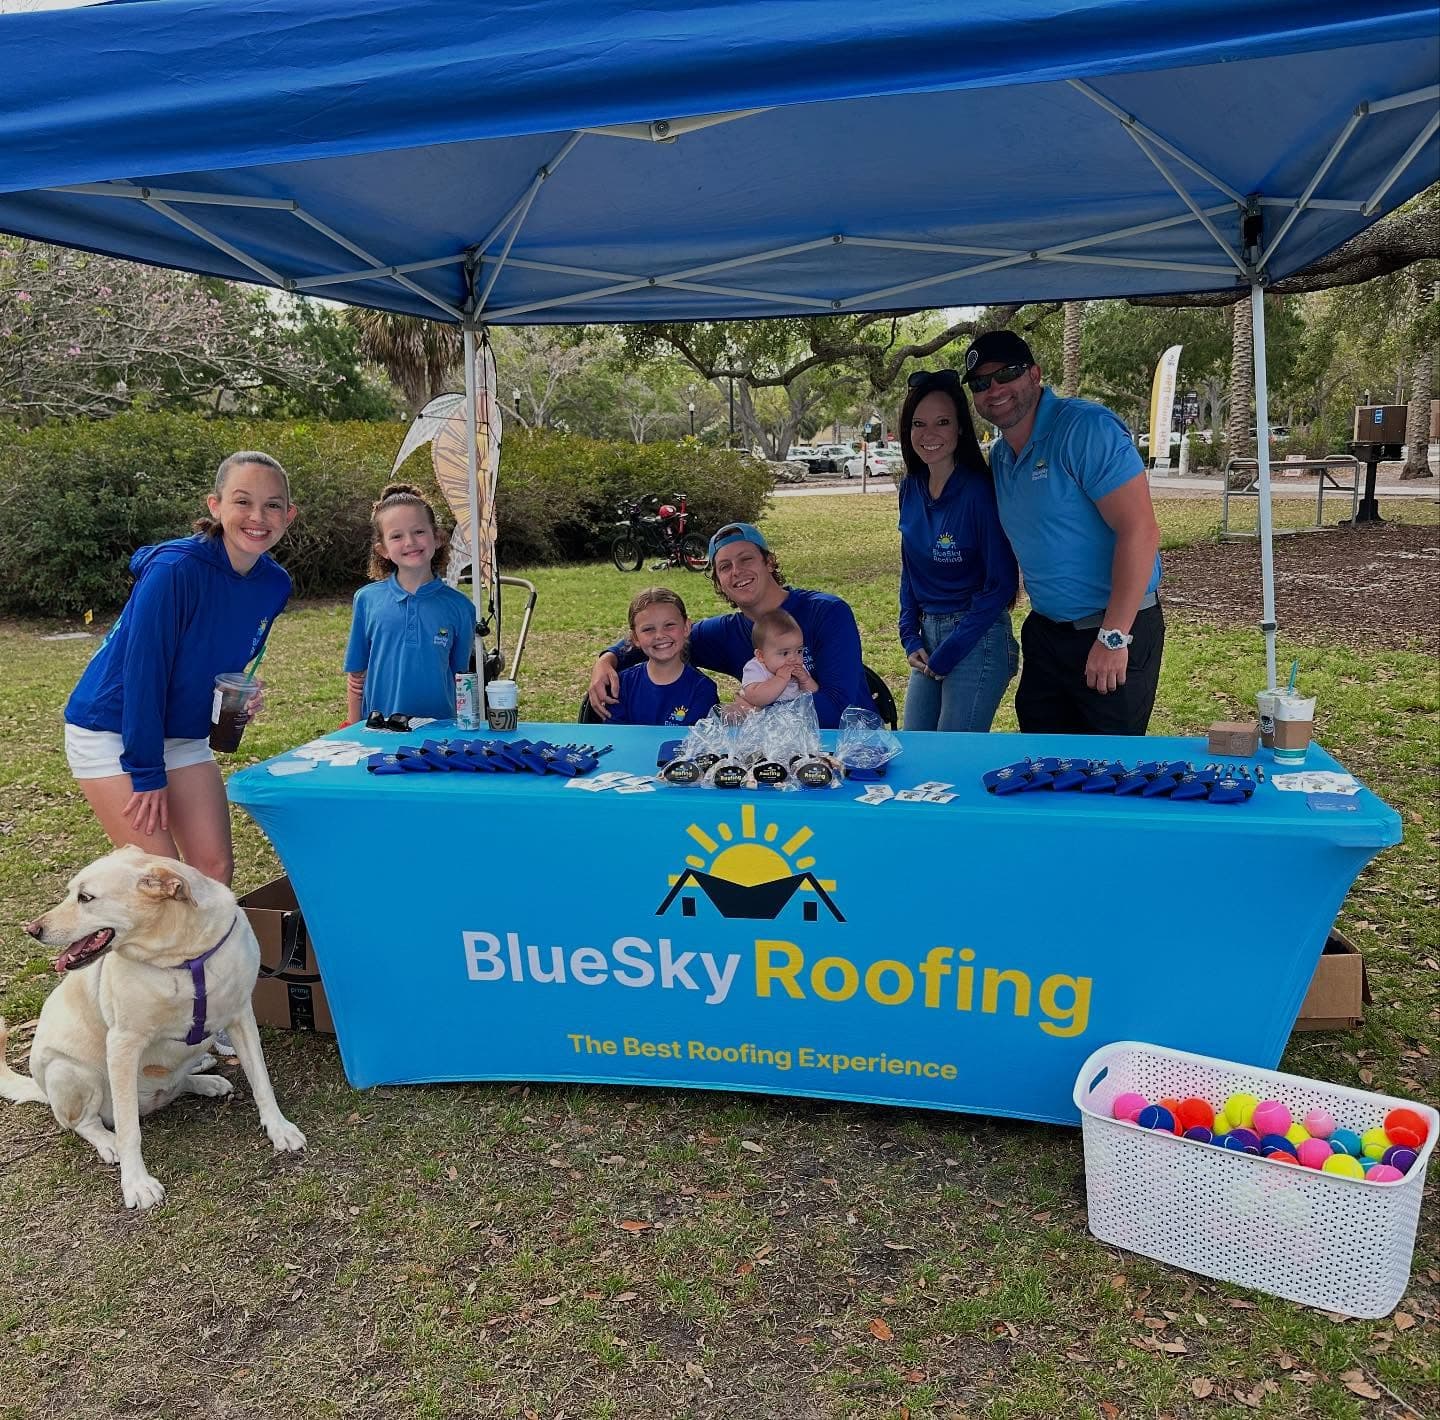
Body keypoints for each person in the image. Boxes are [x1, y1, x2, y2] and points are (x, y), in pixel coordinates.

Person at [63, 451, 297, 885]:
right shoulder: (175, 570)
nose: (257, 516)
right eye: (242, 501)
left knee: (213, 872)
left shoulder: (274, 583)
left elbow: (223, 659)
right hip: (112, 729)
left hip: (182, 732)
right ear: (216, 505)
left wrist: (241, 691)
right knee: (164, 881)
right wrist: (146, 773)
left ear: (289, 515)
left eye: (272, 505)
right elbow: (143, 676)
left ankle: (199, 957)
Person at [964, 331, 1163, 735]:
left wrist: (1113, 637)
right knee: (1041, 771)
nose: (995, 389)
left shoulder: (1086, 429)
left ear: (1035, 374)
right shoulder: (1001, 456)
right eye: (981, 383)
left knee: (1106, 777)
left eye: (1006, 374)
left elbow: (1140, 530)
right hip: (1047, 633)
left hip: (1112, 630)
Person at [586, 523, 870, 729]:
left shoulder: (827, 612)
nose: (737, 572)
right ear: (718, 581)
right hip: (782, 753)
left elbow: (837, 710)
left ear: (769, 562)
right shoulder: (723, 633)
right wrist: (606, 660)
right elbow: (659, 640)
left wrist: (753, 710)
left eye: (746, 559)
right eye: (724, 567)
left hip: (851, 746)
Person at [896, 369, 1020, 732]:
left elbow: (1001, 584)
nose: (929, 434)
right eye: (919, 423)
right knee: (915, 746)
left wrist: (952, 648)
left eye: (942, 422)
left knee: (953, 755)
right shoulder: (911, 489)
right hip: (927, 633)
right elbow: (910, 570)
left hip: (976, 634)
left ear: (960, 428)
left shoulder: (978, 492)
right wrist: (909, 634)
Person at [343, 483, 477, 724]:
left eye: (418, 532)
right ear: (382, 549)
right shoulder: (366, 600)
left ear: (437, 538)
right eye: (396, 536)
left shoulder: (461, 607)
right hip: (379, 732)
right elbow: (356, 678)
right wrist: (353, 735)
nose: (410, 542)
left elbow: (461, 679)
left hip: (440, 735)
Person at [607, 587, 719, 726]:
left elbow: (698, 742)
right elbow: (614, 738)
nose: (659, 635)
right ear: (635, 637)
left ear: (686, 627)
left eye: (669, 625)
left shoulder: (703, 689)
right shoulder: (622, 685)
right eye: (648, 629)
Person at [739, 608, 818, 709]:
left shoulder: (799, 668)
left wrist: (805, 681)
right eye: (785, 653)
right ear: (761, 656)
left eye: (799, 651)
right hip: (765, 720)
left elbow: (814, 695)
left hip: (796, 718)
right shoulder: (756, 668)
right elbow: (755, 698)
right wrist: (780, 679)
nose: (793, 658)